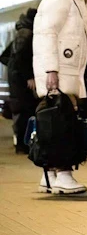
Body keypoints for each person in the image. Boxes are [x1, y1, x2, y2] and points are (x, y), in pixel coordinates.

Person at [32, 0, 87, 195]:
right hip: (60, 71)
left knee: (58, 122)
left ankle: (51, 175)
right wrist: (51, 70)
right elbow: (47, 34)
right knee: (61, 124)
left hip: (68, 71)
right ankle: (63, 174)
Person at [4, 8, 37, 154]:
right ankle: (23, 145)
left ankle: (22, 144)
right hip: (21, 81)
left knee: (21, 110)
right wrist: (27, 75)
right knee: (24, 110)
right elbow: (20, 57)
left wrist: (13, 70)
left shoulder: (21, 33)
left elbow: (5, 56)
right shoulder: (27, 34)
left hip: (16, 79)